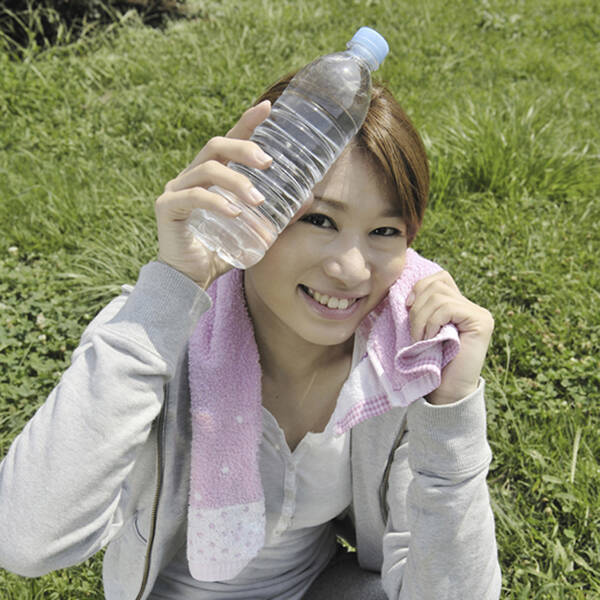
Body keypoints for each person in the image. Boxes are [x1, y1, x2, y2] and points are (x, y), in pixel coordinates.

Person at [0, 71, 502, 599]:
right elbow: (25, 539)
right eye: (320, 220)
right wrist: (172, 288)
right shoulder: (160, 335)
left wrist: (452, 411)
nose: (352, 271)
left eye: (384, 231)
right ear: (250, 204)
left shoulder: (400, 362)